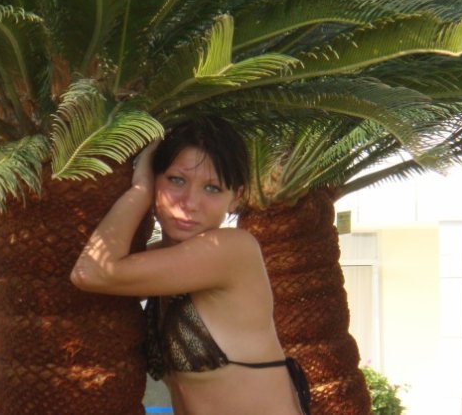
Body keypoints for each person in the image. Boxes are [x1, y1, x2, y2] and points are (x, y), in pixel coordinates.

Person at [71, 118, 311, 415]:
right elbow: (91, 271)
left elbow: (91, 272)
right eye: (176, 180)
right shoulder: (159, 262)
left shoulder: (231, 250)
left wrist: (140, 190)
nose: (190, 202)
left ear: (235, 198)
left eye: (212, 188)